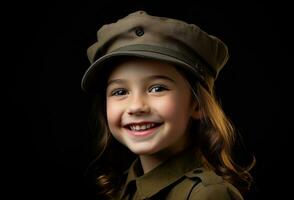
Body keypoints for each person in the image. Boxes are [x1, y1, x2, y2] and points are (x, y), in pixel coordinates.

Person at [81, 10, 255, 200]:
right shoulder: (125, 189)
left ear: (197, 104)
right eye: (120, 92)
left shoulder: (207, 194)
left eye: (157, 88)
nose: (136, 106)